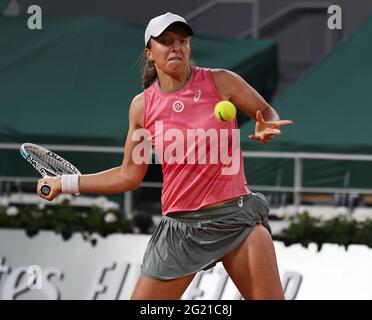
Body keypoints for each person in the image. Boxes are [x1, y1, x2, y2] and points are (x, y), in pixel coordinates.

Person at [37, 12, 293, 300]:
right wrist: (66, 183)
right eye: (166, 42)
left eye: (182, 41)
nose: (176, 47)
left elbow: (267, 113)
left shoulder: (222, 82)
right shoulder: (142, 107)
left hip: (236, 218)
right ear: (149, 53)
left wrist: (267, 124)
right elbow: (128, 176)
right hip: (180, 229)